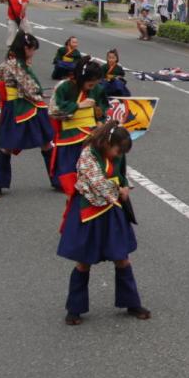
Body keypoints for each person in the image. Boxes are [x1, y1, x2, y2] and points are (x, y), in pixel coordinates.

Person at [58, 121, 151, 325]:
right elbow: (98, 183)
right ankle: (74, 308)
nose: (119, 156)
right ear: (107, 143)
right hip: (89, 209)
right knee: (84, 261)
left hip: (111, 209)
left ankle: (131, 302)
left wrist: (124, 186)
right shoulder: (87, 155)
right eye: (118, 150)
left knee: (122, 257)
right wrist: (119, 191)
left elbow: (121, 175)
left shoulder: (117, 154)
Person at [0, 33, 55, 199]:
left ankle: (57, 179)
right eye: (32, 49)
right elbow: (29, 88)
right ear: (26, 48)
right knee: (9, 145)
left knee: (45, 142)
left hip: (22, 104)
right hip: (19, 106)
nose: (33, 53)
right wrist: (42, 95)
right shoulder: (16, 65)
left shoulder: (11, 63)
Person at [50, 58, 108, 191]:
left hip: (90, 128)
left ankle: (91, 180)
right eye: (91, 80)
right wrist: (78, 105)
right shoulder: (64, 86)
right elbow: (53, 111)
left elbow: (103, 108)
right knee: (67, 173)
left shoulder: (97, 89)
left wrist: (100, 121)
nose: (95, 83)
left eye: (97, 80)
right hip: (70, 127)